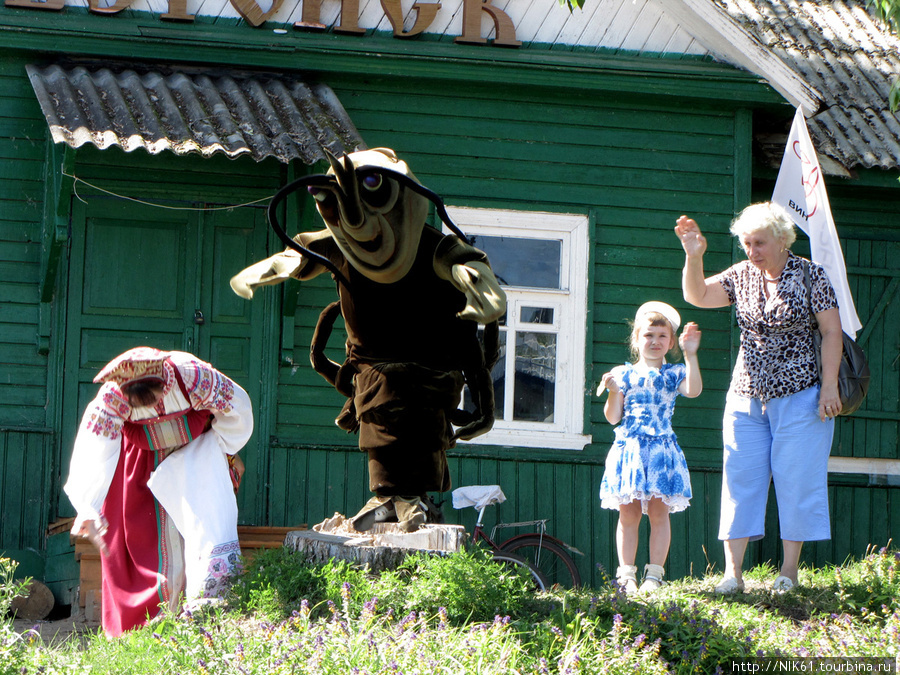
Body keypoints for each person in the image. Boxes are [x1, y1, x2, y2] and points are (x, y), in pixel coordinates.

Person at [675, 202, 842, 595]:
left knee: (796, 481)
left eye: (760, 243)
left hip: (801, 395)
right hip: (745, 396)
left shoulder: (810, 275)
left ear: (782, 240)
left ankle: (788, 571)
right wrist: (693, 256)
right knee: (740, 479)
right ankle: (733, 574)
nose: (752, 251)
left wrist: (830, 386)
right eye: (747, 243)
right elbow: (697, 294)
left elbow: (832, 332)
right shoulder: (741, 275)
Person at [64, 347, 254, 636]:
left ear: (164, 381)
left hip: (195, 460)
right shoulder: (111, 397)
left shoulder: (193, 377)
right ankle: (146, 631)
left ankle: (201, 622)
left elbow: (237, 409)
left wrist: (220, 448)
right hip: (138, 470)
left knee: (202, 537)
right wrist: (88, 504)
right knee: (139, 545)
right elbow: (94, 446)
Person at [598, 301, 702, 594]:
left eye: (661, 336)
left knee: (659, 514)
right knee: (628, 515)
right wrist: (613, 392)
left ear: (670, 342)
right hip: (630, 448)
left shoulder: (674, 373)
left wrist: (690, 354)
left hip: (661, 451)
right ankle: (627, 576)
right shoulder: (623, 374)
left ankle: (654, 576)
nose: (655, 341)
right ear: (637, 339)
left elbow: (693, 390)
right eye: (648, 335)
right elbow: (613, 417)